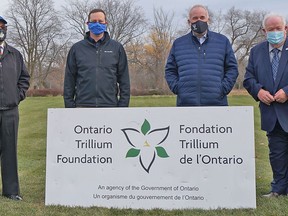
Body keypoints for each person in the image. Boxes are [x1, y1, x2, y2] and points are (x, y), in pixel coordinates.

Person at [244, 13, 288, 198]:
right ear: (264, 31)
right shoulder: (256, 51)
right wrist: (259, 91)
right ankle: (278, 189)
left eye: (279, 28)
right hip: (272, 113)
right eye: (271, 29)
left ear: (286, 29)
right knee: (277, 154)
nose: (275, 32)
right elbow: (248, 78)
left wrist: (287, 91)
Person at [165, 5, 238, 106]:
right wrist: (179, 88)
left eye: (202, 17)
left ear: (208, 20)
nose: (199, 21)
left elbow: (232, 68)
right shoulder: (178, 44)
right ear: (189, 21)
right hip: (186, 105)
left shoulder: (222, 41)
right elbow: (170, 70)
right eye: (195, 18)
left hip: (217, 105)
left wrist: (222, 89)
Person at [64, 9, 130, 108]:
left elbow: (124, 80)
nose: (97, 24)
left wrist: (122, 106)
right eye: (94, 21)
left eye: (100, 21)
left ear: (106, 23)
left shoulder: (117, 48)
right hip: (83, 106)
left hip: (110, 106)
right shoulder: (76, 49)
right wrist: (70, 106)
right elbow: (69, 81)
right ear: (88, 23)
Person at [0, 16, 30, 201]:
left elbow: (24, 78)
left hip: (10, 110)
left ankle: (11, 191)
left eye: (2, 27)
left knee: (10, 150)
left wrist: (17, 96)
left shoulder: (15, 54)